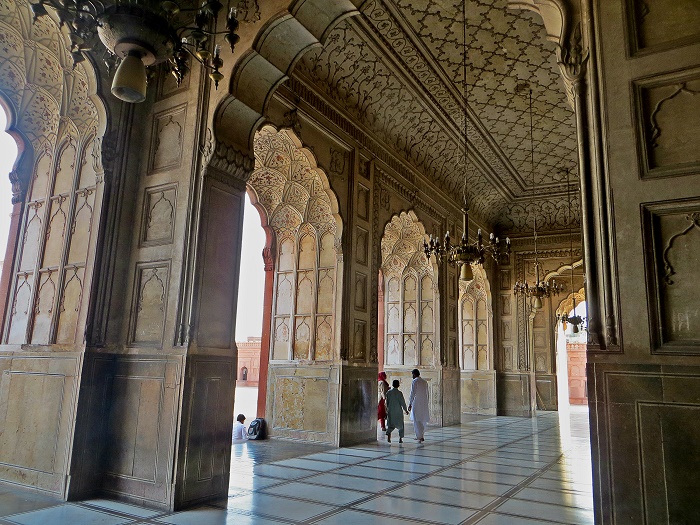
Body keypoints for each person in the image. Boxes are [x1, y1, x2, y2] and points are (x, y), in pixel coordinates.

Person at [408, 368, 429, 442]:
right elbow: (427, 393)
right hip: (424, 402)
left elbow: (412, 393)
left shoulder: (415, 381)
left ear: (414, 374)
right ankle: (421, 435)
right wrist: (427, 402)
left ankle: (419, 436)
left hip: (416, 402)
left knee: (416, 419)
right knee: (422, 419)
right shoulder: (424, 382)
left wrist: (410, 403)